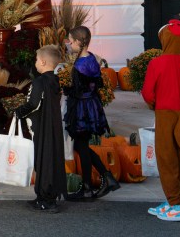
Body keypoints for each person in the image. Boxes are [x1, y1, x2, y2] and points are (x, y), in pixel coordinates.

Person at [141, 19, 180, 223]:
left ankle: (175, 205)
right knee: (178, 159)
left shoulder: (156, 63)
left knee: (166, 160)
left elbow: (148, 93)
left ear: (165, 39)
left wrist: (155, 104)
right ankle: (173, 199)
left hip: (164, 114)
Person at [64, 25, 119, 200]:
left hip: (82, 109)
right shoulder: (92, 59)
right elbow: (97, 84)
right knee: (83, 147)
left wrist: (64, 87)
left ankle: (89, 186)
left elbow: (78, 91)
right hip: (91, 106)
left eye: (71, 41)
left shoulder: (81, 64)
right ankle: (105, 178)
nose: (69, 44)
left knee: (81, 146)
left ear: (80, 42)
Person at [13, 45, 67, 213]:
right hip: (54, 126)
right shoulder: (56, 80)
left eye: (37, 60)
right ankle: (47, 196)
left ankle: (46, 199)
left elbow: (33, 104)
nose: (35, 63)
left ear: (43, 62)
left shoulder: (39, 81)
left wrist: (18, 112)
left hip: (42, 127)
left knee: (42, 159)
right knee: (52, 158)